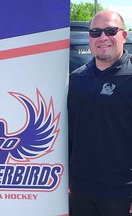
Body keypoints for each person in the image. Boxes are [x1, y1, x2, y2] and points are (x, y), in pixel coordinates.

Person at [68, 10, 132, 216]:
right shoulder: (76, 79)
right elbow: (70, 133)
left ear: (123, 35)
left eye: (110, 31)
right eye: (95, 32)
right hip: (80, 193)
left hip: (121, 195)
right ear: (89, 38)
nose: (103, 37)